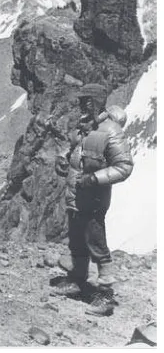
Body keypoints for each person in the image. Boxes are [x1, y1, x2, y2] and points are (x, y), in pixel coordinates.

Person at [52, 83, 134, 316]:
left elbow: (124, 167)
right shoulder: (83, 127)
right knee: (77, 240)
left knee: (96, 243)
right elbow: (71, 152)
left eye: (86, 100)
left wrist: (95, 178)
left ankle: (105, 294)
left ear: (96, 101)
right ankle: (78, 280)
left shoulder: (111, 131)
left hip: (95, 198)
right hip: (76, 196)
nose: (81, 104)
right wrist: (62, 159)